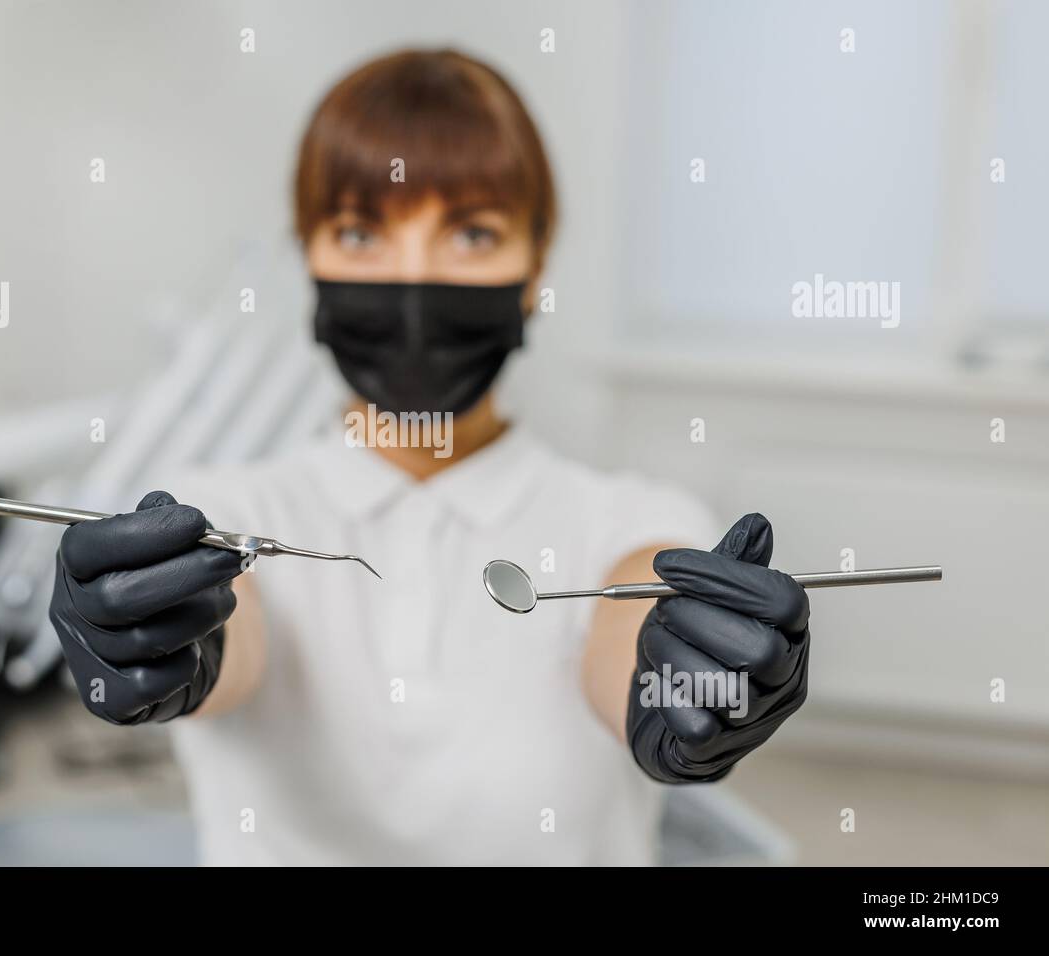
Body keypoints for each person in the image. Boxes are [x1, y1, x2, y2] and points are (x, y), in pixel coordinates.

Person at [47, 49, 810, 865]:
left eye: (472, 234)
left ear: (535, 270)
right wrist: (165, 643)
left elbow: (637, 628)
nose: (414, 281)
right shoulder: (225, 514)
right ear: (311, 262)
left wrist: (678, 683)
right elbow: (227, 628)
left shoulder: (635, 519)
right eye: (361, 233)